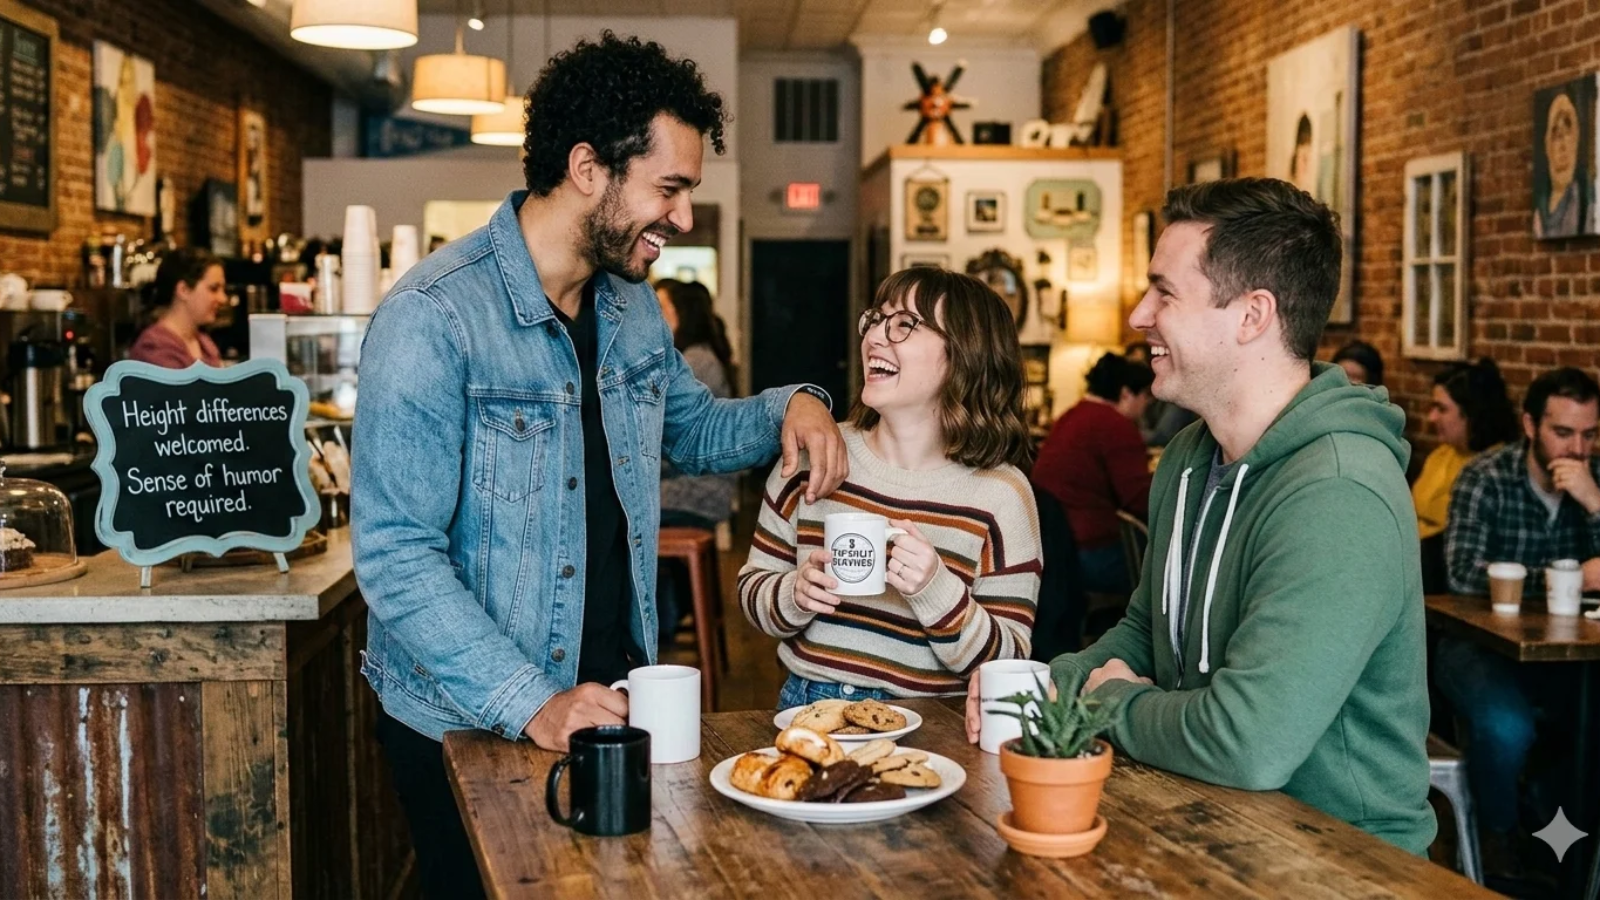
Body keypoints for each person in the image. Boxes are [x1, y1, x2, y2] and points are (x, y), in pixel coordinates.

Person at [350, 33, 846, 900]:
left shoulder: (630, 308)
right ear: (588, 168)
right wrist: (533, 700)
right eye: (670, 189)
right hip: (472, 720)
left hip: (607, 699)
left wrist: (793, 404)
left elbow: (692, 433)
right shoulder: (433, 315)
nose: (683, 218)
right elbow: (394, 552)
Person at [969, 178, 1436, 854]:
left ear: (1252, 315)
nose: (1138, 315)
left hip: (1335, 858)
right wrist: (1042, 687)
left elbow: (1249, 744)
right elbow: (1142, 635)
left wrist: (1104, 704)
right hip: (1200, 817)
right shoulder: (1191, 456)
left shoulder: (1340, 493)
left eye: (1165, 292)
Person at [739, 267, 1041, 706]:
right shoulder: (815, 457)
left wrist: (935, 589)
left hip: (936, 726)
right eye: (876, 320)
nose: (875, 336)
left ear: (965, 355)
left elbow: (1008, 660)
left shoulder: (1001, 495)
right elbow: (752, 589)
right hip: (810, 706)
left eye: (903, 325)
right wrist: (794, 594)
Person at [1438, 366, 1600, 874]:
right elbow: (1463, 574)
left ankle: (1574, 851)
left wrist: (1595, 504)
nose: (1578, 449)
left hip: (1570, 654)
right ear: (1530, 426)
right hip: (1475, 646)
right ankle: (1498, 836)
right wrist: (1562, 578)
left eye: (1590, 434)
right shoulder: (1485, 477)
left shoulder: (1596, 483)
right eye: (1563, 432)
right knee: (1506, 727)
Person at [655, 277, 738, 640]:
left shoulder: (695, 361)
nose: (653, 317)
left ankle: (660, 622)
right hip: (691, 483)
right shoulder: (696, 355)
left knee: (620, 513)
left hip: (697, 488)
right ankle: (666, 612)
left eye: (662, 309)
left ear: (681, 315)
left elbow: (676, 443)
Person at [1031, 352, 1153, 594]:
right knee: (1169, 570)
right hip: (1088, 552)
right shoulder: (1115, 425)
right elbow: (1141, 499)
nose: (1145, 407)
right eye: (1145, 398)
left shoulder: (1072, 415)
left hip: (1052, 548)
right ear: (1126, 393)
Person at [1412, 359, 1518, 593]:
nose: (1431, 418)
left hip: (1441, 580)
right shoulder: (1441, 454)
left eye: (1441, 408)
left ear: (1471, 412)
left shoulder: (1492, 472)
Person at [128, 247, 225, 368]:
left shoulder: (205, 343)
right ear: (183, 290)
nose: (223, 298)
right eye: (214, 288)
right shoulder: (154, 347)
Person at [1125, 340, 1195, 446]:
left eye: (1140, 364)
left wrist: (1121, 432)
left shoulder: (1173, 395)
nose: (1135, 372)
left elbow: (1162, 437)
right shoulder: (1132, 394)